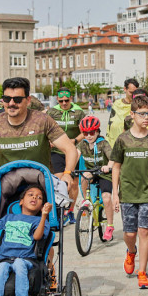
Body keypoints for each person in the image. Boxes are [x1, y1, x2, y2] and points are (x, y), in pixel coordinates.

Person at [0, 77, 77, 189]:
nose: (11, 103)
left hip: (40, 184)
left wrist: (68, 173)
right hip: (8, 185)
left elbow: (70, 149)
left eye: (17, 100)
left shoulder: (43, 120)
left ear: (28, 100)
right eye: (7, 99)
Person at [112, 96, 148, 289]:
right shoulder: (123, 139)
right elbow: (116, 167)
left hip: (147, 191)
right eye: (142, 114)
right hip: (127, 192)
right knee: (129, 233)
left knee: (144, 231)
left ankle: (142, 272)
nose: (146, 118)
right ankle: (131, 251)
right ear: (132, 115)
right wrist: (115, 193)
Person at [47, 87, 85, 217]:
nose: (64, 103)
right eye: (61, 101)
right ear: (57, 99)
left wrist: (74, 140)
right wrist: (49, 140)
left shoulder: (79, 112)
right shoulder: (52, 112)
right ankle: (59, 209)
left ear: (71, 99)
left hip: (74, 152)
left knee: (73, 183)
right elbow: (45, 130)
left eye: (66, 100)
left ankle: (71, 210)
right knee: (59, 180)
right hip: (57, 151)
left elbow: (85, 131)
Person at [77, 115, 115, 241]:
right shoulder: (82, 144)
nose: (88, 136)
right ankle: (85, 201)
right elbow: (75, 155)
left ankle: (109, 225)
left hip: (104, 173)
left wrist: (108, 166)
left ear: (97, 132)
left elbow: (112, 158)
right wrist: (69, 169)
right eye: (85, 133)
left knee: (106, 197)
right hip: (91, 172)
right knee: (83, 177)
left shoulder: (103, 143)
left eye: (92, 133)